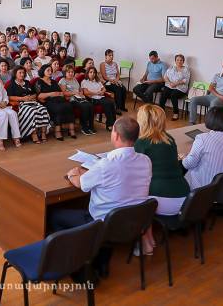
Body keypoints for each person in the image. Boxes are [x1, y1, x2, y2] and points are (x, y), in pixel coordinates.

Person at [51, 116, 151, 277]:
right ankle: (102, 263)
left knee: (55, 215)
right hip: (133, 223)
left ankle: (78, 269)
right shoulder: (145, 160)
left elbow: (81, 184)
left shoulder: (106, 165)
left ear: (116, 135)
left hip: (103, 224)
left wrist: (72, 175)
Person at [134, 104, 189, 216]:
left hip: (162, 200)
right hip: (185, 197)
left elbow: (134, 173)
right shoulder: (169, 139)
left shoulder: (141, 143)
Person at [181, 107, 223, 189]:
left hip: (206, 189)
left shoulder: (202, 138)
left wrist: (184, 157)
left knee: (183, 172)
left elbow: (189, 164)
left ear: (209, 120)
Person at [6, 66, 51, 144]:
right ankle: (34, 134)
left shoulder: (27, 82)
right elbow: (9, 97)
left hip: (32, 102)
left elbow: (34, 94)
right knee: (32, 111)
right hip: (21, 104)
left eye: (23, 72)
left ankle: (43, 133)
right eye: (20, 72)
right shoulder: (11, 84)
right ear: (15, 74)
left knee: (43, 109)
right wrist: (22, 98)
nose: (22, 74)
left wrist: (31, 97)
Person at [36, 64, 76, 140]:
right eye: (48, 70)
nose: (50, 72)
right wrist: (51, 94)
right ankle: (57, 131)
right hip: (48, 101)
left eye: (51, 70)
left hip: (59, 99)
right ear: (42, 71)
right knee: (58, 108)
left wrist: (59, 94)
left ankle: (71, 129)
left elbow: (61, 92)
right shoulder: (39, 82)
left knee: (69, 106)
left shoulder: (54, 82)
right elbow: (39, 96)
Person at [59, 64, 94, 135]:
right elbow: (64, 93)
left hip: (79, 97)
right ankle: (84, 127)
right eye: (69, 72)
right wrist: (74, 93)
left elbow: (80, 89)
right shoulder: (62, 80)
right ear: (65, 73)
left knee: (90, 105)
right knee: (85, 107)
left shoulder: (74, 79)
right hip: (71, 99)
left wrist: (81, 92)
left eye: (72, 72)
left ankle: (91, 126)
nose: (71, 73)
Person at [81, 67, 117, 132]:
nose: (92, 74)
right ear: (87, 73)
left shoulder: (97, 81)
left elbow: (104, 88)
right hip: (92, 99)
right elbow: (86, 92)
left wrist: (102, 92)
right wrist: (96, 93)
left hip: (100, 97)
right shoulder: (84, 81)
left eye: (94, 72)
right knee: (107, 103)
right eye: (91, 72)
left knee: (111, 102)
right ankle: (109, 125)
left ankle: (113, 123)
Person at [158, 54, 190, 120]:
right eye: (177, 60)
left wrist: (176, 83)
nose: (179, 61)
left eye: (181, 60)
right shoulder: (171, 67)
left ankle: (176, 113)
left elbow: (185, 80)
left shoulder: (186, 70)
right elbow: (165, 76)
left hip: (181, 88)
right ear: (175, 61)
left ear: (183, 61)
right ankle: (161, 112)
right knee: (164, 92)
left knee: (173, 95)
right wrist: (170, 83)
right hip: (170, 86)